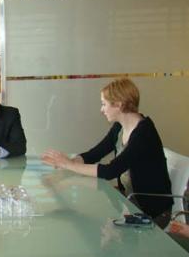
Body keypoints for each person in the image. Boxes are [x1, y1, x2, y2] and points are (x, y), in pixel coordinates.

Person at [41, 78, 173, 226]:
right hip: (130, 203)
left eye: (104, 104)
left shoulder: (144, 133)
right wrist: (69, 162)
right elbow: (94, 154)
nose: (101, 109)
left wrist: (68, 165)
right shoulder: (119, 127)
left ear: (119, 104)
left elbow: (110, 171)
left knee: (93, 229)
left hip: (152, 213)